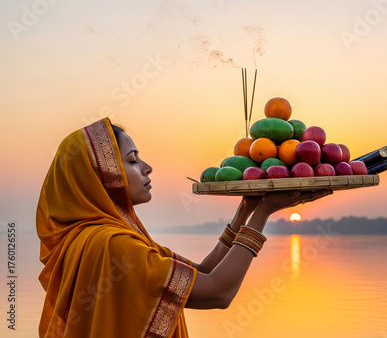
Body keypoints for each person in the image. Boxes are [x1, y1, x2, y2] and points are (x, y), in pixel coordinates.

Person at [36, 118, 332, 337]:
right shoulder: (113, 245)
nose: (147, 167)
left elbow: (203, 272)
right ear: (101, 176)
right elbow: (217, 292)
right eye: (132, 160)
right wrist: (264, 211)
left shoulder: (95, 238)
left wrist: (247, 207)